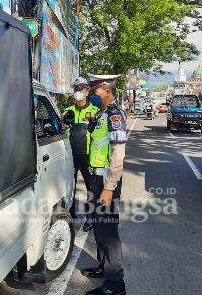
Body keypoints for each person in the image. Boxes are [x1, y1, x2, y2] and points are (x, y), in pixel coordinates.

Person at [81, 74, 127, 295]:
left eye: (96, 89)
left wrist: (109, 187)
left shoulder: (115, 115)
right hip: (95, 178)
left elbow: (118, 154)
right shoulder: (102, 114)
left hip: (106, 181)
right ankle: (103, 267)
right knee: (99, 226)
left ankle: (115, 286)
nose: (92, 93)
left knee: (108, 231)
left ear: (108, 90)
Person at [64, 77, 99, 232]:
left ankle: (89, 218)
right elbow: (63, 132)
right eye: (75, 90)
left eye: (80, 90)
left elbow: (99, 135)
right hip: (70, 155)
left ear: (86, 92)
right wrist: (64, 126)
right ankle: (70, 214)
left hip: (87, 156)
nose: (77, 93)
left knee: (91, 188)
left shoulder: (95, 111)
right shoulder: (69, 111)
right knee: (69, 186)